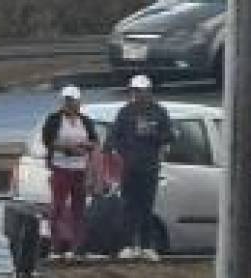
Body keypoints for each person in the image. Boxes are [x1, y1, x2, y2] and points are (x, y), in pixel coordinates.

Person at [107, 75, 172, 261]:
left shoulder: (159, 112)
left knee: (147, 207)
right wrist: (121, 153)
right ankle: (127, 245)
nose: (137, 94)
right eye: (134, 90)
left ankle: (146, 246)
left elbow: (168, 136)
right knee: (128, 207)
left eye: (141, 91)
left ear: (148, 92)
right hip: (129, 168)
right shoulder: (124, 112)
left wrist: (153, 133)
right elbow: (113, 137)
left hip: (150, 167)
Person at [41, 85, 99, 259]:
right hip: (61, 168)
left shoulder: (85, 120)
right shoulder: (54, 119)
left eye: (73, 100)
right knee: (57, 207)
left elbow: (94, 141)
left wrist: (85, 147)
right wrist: (67, 148)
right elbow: (48, 141)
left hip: (80, 169)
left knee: (79, 209)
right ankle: (56, 246)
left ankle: (77, 247)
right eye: (67, 100)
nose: (70, 104)